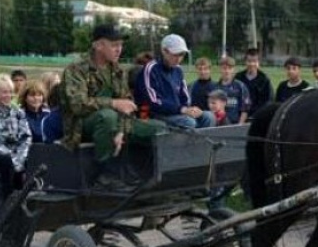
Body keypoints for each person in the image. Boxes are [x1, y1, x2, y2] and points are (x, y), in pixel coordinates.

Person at [61, 23, 166, 191]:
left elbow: (128, 106)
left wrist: (121, 130)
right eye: (114, 45)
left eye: (121, 45)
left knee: (159, 128)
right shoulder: (76, 70)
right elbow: (77, 106)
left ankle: (144, 176)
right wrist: (113, 103)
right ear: (98, 45)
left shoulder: (118, 71)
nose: (119, 49)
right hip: (82, 125)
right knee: (107, 116)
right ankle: (106, 175)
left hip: (114, 123)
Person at [135, 34, 215, 129]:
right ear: (164, 51)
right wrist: (182, 109)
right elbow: (153, 102)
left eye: (182, 54)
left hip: (177, 112)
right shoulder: (150, 69)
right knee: (189, 122)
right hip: (155, 113)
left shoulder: (178, 70)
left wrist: (189, 109)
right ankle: (186, 143)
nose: (179, 58)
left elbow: (185, 96)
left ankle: (202, 143)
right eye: (175, 54)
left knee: (208, 117)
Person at [234, 48, 273, 118]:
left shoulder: (264, 79)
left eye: (254, 61)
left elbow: (268, 102)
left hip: (257, 116)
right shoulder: (238, 77)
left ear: (258, 62)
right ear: (245, 61)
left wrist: (256, 115)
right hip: (239, 114)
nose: (252, 64)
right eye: (249, 61)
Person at [19, 79, 59, 144]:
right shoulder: (19, 116)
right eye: (32, 95)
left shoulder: (49, 114)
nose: (36, 98)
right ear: (25, 97)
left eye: (39, 95)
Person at [217, 56, 251, 124]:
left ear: (234, 70)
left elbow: (245, 109)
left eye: (230, 68)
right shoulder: (215, 87)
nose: (227, 71)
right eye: (224, 68)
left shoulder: (240, 86)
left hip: (235, 123)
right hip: (218, 124)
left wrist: (239, 125)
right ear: (220, 69)